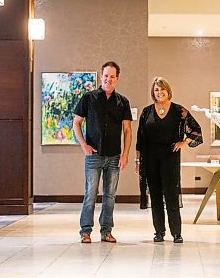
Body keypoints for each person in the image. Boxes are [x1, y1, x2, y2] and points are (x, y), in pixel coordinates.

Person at [135, 77, 203, 243]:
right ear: (153, 92)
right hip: (150, 158)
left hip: (170, 157)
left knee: (171, 194)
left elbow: (196, 131)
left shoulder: (179, 111)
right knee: (156, 195)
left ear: (168, 91)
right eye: (156, 90)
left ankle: (176, 233)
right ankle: (159, 232)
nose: (159, 92)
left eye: (162, 89)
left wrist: (183, 142)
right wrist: (138, 161)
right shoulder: (146, 112)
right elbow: (140, 138)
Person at [73, 61, 132, 244]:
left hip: (114, 156)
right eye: (106, 75)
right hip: (93, 156)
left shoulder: (123, 102)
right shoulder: (88, 98)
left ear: (117, 79)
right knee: (90, 194)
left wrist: (125, 155)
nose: (109, 79)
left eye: (112, 76)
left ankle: (106, 231)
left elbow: (128, 131)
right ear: (101, 76)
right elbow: (76, 123)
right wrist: (83, 145)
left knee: (110, 196)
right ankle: (85, 231)